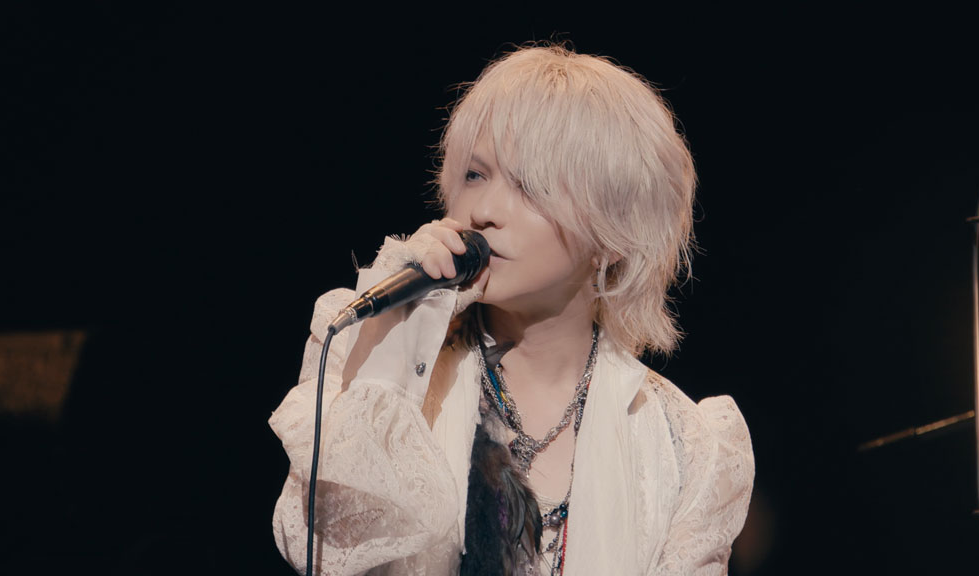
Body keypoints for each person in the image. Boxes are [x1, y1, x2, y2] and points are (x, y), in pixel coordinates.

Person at [270, 43, 754, 575]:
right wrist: (395, 341)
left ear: (614, 236)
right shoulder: (369, 347)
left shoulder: (687, 445)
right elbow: (326, 550)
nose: (483, 211)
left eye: (530, 186)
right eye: (475, 175)